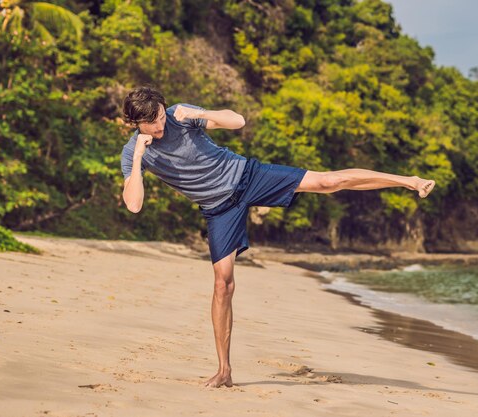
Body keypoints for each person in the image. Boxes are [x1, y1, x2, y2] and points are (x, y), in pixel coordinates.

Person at [120, 86, 435, 388]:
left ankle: (408, 181)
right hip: (218, 208)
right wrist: (137, 158)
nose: (161, 125)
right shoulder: (134, 152)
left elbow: (237, 121)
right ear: (135, 123)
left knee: (328, 182)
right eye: (152, 122)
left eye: (161, 115)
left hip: (248, 175)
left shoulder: (179, 115)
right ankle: (224, 370)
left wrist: (195, 113)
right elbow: (133, 205)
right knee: (222, 283)